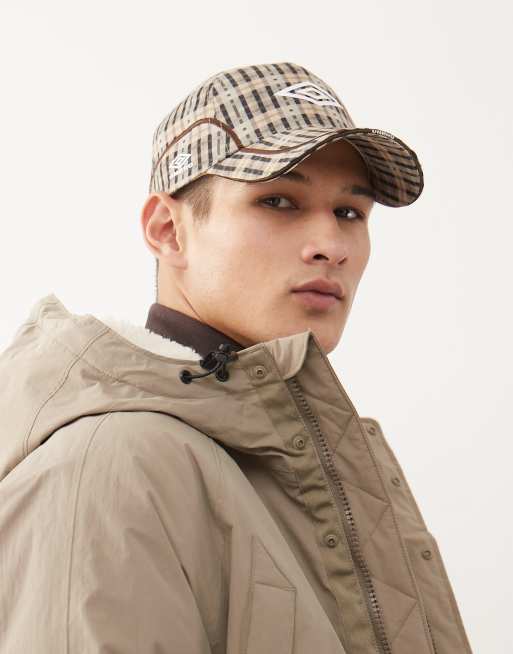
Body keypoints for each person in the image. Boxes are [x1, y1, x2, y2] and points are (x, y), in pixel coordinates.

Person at [0, 61, 473, 653]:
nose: (331, 246)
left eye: (349, 213)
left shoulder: (312, 458)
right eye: (279, 201)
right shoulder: (113, 464)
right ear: (168, 230)